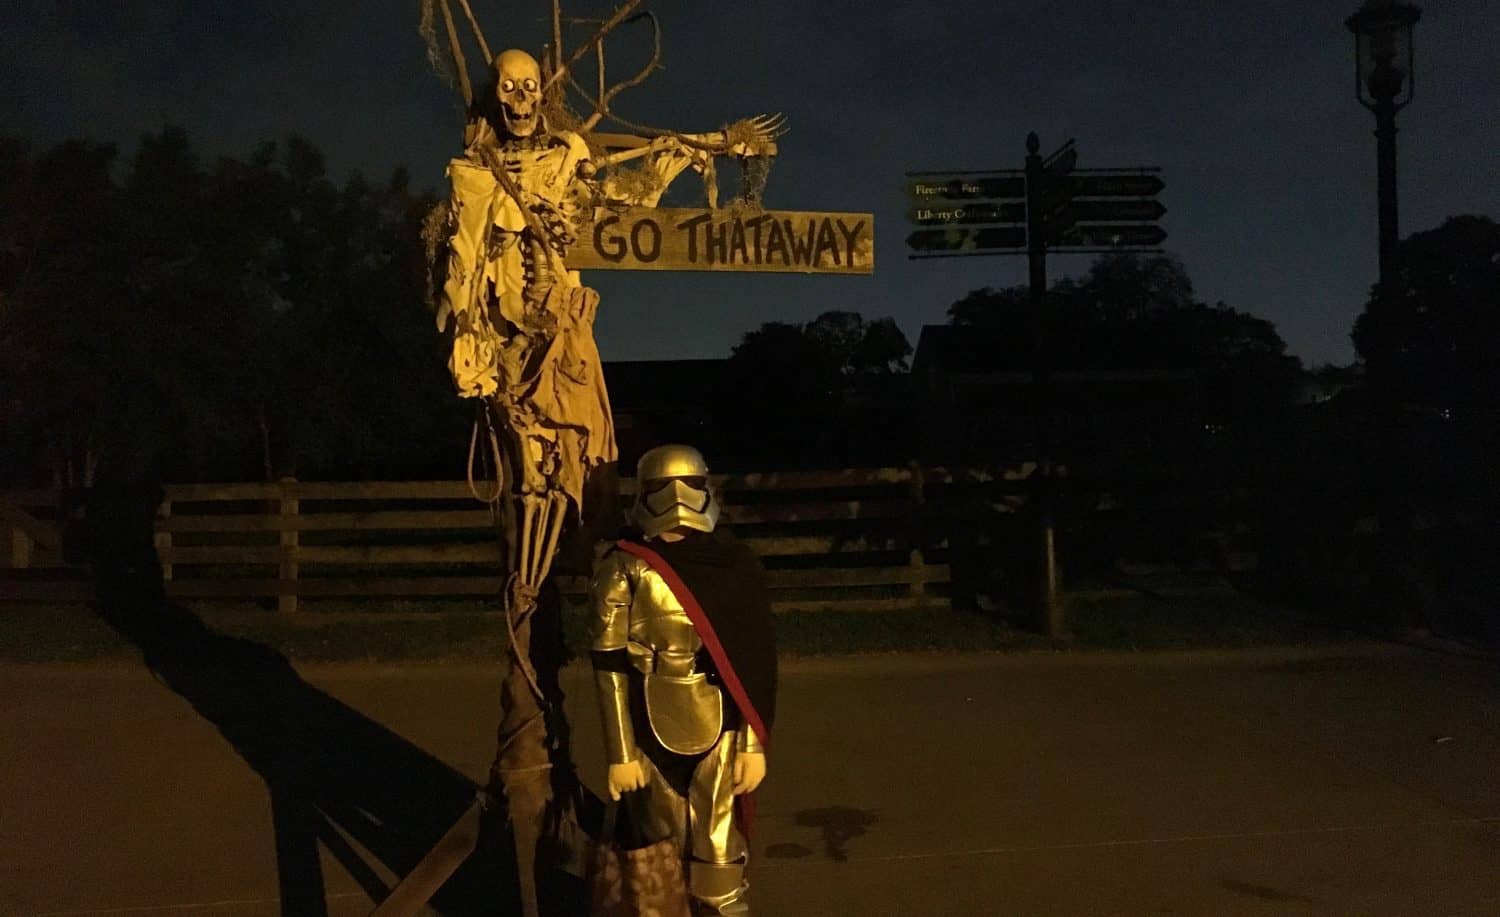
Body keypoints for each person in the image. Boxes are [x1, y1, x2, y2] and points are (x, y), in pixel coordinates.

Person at [590, 444, 778, 915]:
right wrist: (620, 753)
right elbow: (609, 663)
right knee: (658, 867)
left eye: (688, 485)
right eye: (663, 487)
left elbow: (753, 662)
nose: (676, 498)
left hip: (721, 728)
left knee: (720, 858)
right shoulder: (624, 565)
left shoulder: (733, 564)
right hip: (647, 730)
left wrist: (752, 744)